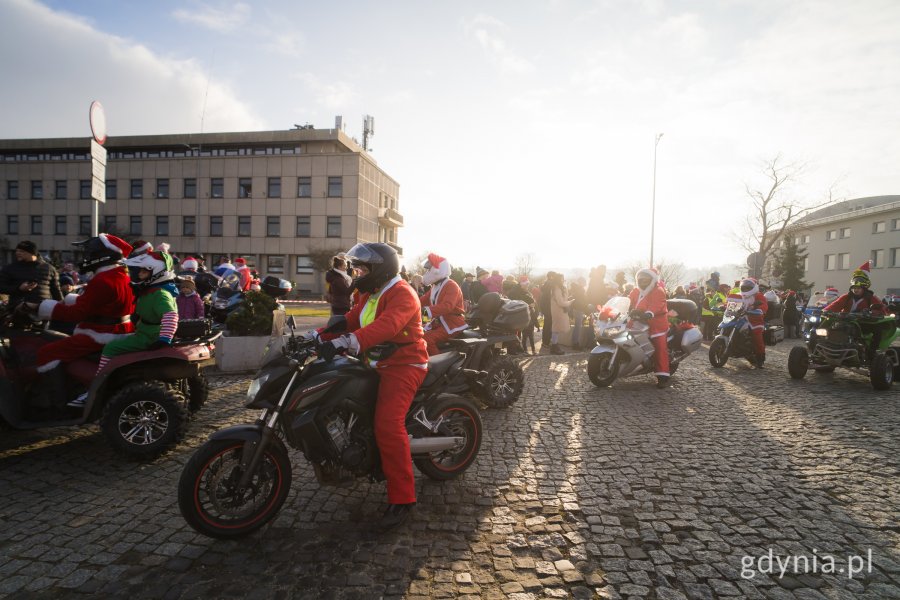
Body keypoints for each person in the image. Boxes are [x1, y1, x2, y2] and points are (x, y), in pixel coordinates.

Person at [317, 242, 428, 530]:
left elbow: (387, 326)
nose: (357, 272)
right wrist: (317, 336)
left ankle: (403, 499)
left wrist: (348, 342)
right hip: (374, 362)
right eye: (356, 267)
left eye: (363, 267)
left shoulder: (403, 293)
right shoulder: (369, 293)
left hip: (403, 364)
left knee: (388, 425)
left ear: (380, 269)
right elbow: (351, 321)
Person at [30, 234, 135, 406]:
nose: (86, 257)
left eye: (90, 253)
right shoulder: (121, 275)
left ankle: (57, 402)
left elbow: (76, 314)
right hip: (119, 329)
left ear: (103, 255)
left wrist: (42, 307)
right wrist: (70, 300)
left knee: (46, 352)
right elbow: (98, 304)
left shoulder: (102, 280)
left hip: (99, 333)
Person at [73, 251, 179, 407]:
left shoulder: (160, 294)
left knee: (111, 347)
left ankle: (97, 386)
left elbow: (170, 316)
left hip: (150, 336)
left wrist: (164, 339)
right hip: (145, 332)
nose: (139, 274)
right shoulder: (150, 290)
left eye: (144, 271)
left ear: (156, 272)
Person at [824, 262, 889, 357]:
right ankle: (826, 347)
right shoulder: (846, 297)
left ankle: (872, 353)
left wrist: (872, 313)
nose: (856, 290)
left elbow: (881, 309)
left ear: (864, 288)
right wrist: (825, 311)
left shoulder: (871, 297)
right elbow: (836, 305)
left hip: (864, 322)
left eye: (858, 288)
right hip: (846, 320)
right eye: (854, 287)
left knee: (877, 330)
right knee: (826, 327)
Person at [628, 268, 671, 387]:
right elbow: (628, 301)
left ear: (652, 280)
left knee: (659, 347)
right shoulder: (635, 291)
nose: (642, 282)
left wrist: (650, 313)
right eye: (640, 279)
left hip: (656, 323)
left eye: (646, 279)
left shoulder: (658, 290)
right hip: (637, 321)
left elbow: (657, 304)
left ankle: (663, 376)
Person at [419, 253, 467, 355]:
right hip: (439, 322)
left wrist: (425, 312)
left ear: (438, 270)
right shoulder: (435, 287)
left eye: (429, 269)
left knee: (427, 339)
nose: (427, 272)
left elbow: (447, 306)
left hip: (452, 323)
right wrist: (406, 305)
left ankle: (437, 366)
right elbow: (421, 301)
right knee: (416, 333)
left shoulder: (451, 285)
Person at [0, 240, 63, 309]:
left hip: (43, 310)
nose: (17, 253)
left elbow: (56, 291)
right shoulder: (10, 268)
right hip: (18, 311)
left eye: (22, 251)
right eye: (17, 251)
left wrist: (62, 307)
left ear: (32, 253)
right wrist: (19, 288)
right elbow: (2, 287)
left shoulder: (49, 268)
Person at [736, 278, 768, 368]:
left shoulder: (758, 296)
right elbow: (732, 303)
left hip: (755, 319)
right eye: (744, 287)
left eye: (747, 288)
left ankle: (760, 358)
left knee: (757, 336)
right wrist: (725, 306)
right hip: (740, 318)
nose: (745, 289)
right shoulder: (739, 295)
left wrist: (759, 310)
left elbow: (763, 305)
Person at [549, 272, 572, 355]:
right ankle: (554, 346)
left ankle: (554, 345)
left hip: (559, 310)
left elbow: (562, 299)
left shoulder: (559, 288)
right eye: (562, 279)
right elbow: (561, 302)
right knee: (556, 329)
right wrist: (570, 302)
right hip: (558, 310)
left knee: (556, 329)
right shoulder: (557, 288)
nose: (563, 280)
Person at [569, 277, 588, 351]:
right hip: (579, 309)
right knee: (578, 327)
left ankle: (575, 342)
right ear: (582, 282)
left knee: (577, 326)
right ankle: (575, 343)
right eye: (584, 282)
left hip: (576, 309)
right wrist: (585, 306)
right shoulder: (581, 290)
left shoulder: (576, 289)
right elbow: (582, 300)